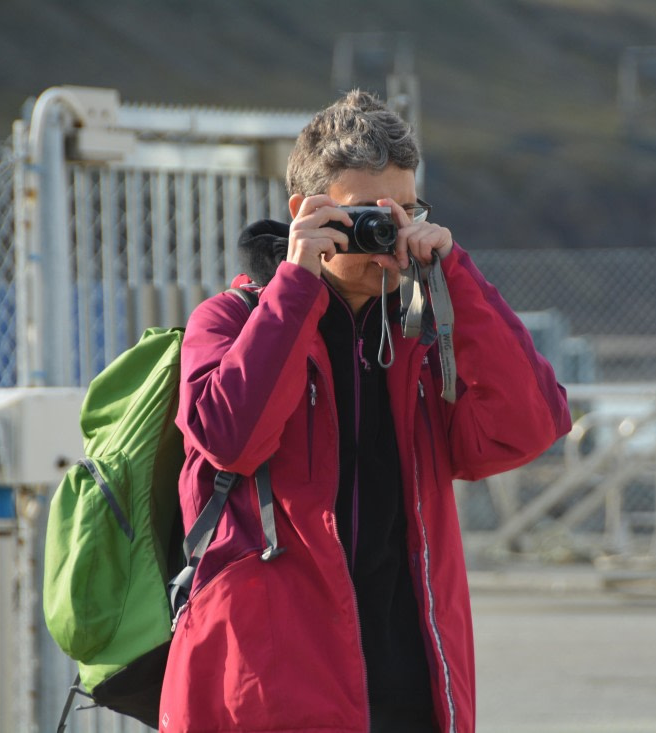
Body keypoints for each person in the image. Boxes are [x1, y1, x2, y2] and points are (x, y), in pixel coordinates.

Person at [159, 90, 571, 733]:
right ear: (305, 213)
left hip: (410, 691)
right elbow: (231, 437)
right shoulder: (229, 321)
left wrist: (454, 275)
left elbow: (529, 427)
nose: (388, 236)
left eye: (404, 211)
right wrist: (295, 285)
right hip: (269, 696)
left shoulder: (417, 335)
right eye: (365, 217)